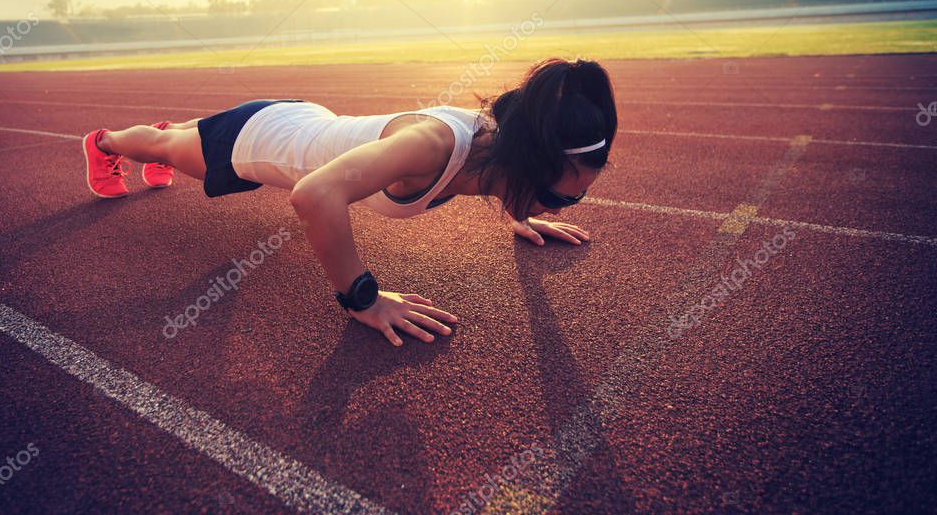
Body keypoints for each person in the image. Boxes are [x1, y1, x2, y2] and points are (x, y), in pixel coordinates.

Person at [81, 57, 617, 346]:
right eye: (559, 196)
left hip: (305, 120)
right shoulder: (432, 147)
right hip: (259, 140)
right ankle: (105, 142)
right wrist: (362, 298)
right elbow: (313, 194)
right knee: (166, 146)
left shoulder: (504, 145)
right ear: (530, 164)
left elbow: (519, 166)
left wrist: (526, 213)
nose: (565, 203)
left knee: (176, 141)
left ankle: (165, 141)